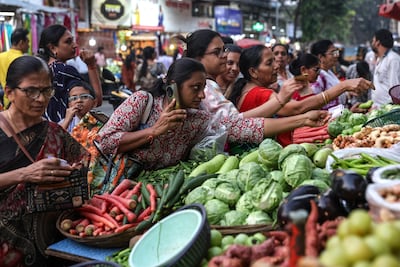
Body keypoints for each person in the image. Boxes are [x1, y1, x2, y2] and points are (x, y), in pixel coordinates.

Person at [0, 55, 89, 266]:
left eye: (47, 90)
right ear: (10, 92)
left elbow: (85, 166)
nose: (41, 99)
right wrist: (24, 174)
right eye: (31, 91)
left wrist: (73, 173)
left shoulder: (55, 133)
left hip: (50, 244)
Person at [175, 29, 330, 145]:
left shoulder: (214, 86)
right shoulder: (207, 88)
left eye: (224, 50)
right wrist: (288, 107)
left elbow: (235, 123)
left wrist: (300, 116)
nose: (224, 56)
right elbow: (234, 126)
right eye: (217, 52)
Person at [228, 46, 372, 146]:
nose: (276, 65)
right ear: (253, 72)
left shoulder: (246, 89)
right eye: (269, 63)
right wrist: (343, 86)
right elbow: (297, 108)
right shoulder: (260, 93)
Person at [98, 58, 213, 170]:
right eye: (196, 88)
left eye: (203, 88)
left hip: (164, 187)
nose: (202, 95)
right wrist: (153, 130)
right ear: (174, 85)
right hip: (124, 184)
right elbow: (105, 142)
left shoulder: (199, 119)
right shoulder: (142, 102)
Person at [37, 24, 102, 123]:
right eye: (68, 42)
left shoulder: (41, 70)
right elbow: (95, 100)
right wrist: (91, 66)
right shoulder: (64, 71)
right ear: (52, 48)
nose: (75, 45)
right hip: (65, 131)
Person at [0, 28, 30, 109]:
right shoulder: (23, 60)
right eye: (27, 42)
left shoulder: (1, 57)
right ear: (21, 42)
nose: (29, 46)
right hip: (20, 101)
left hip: (6, 100)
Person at [310, 39, 344, 109]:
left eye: (336, 52)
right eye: (332, 53)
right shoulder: (318, 77)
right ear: (320, 57)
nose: (336, 55)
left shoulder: (329, 72)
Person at [370, 29, 400, 107]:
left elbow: (395, 89)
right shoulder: (381, 58)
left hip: (387, 109)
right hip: (377, 107)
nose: (372, 43)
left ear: (378, 42)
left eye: (373, 40)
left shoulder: (393, 59)